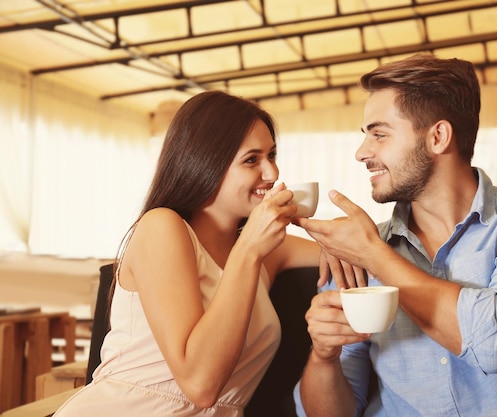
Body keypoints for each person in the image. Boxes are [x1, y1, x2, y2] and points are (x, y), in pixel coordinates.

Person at [291, 53, 497, 417]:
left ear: (438, 136)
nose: (362, 153)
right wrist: (324, 356)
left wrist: (374, 255)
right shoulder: (358, 253)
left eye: (380, 134)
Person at [53, 90, 361, 417]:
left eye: (271, 156)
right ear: (205, 161)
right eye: (251, 159)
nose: (272, 174)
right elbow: (200, 385)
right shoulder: (163, 228)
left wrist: (336, 231)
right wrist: (248, 252)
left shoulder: (268, 251)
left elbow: (350, 245)